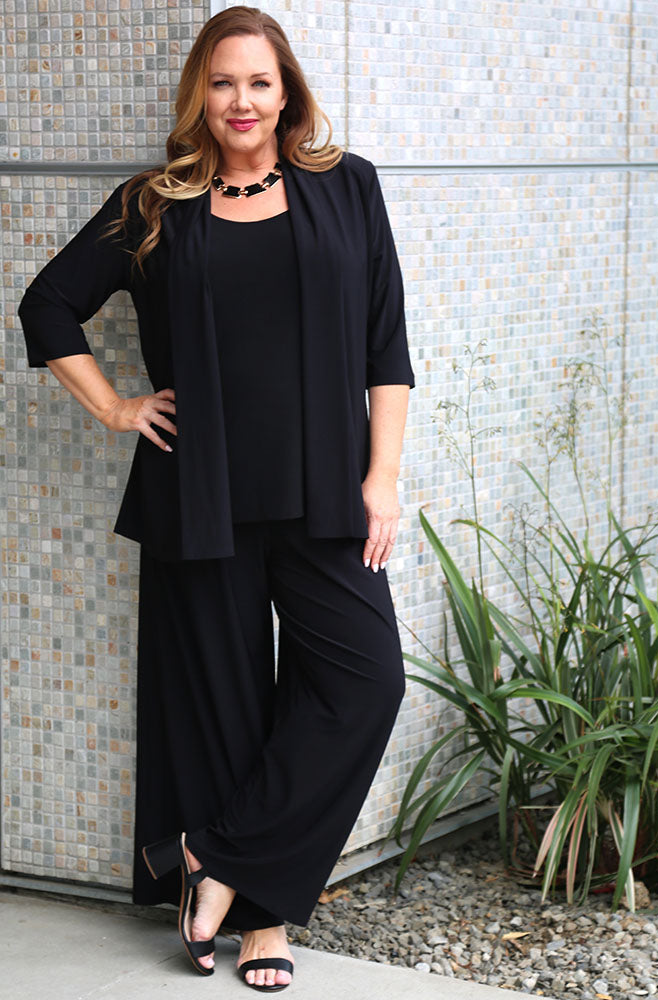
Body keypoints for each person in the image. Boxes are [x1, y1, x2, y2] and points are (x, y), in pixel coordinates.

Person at [18, 5, 415, 993]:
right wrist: (114, 404)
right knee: (230, 712)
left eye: (259, 82)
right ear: (200, 92)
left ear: (287, 94)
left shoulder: (345, 188)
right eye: (223, 82)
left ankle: (221, 860)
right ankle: (264, 925)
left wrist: (382, 479)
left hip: (327, 493)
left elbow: (386, 349)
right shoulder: (154, 203)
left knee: (365, 681)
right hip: (199, 493)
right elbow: (48, 303)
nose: (241, 101)